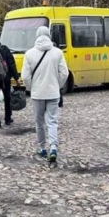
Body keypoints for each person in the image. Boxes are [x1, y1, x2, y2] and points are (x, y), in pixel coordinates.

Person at [21, 26, 69, 163]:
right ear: (49, 35)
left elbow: (25, 76)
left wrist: (31, 88)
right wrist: (57, 86)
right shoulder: (58, 53)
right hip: (53, 93)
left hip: (37, 94)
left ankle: (42, 148)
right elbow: (64, 73)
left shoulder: (29, 54)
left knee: (39, 122)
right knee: (52, 121)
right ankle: (53, 147)